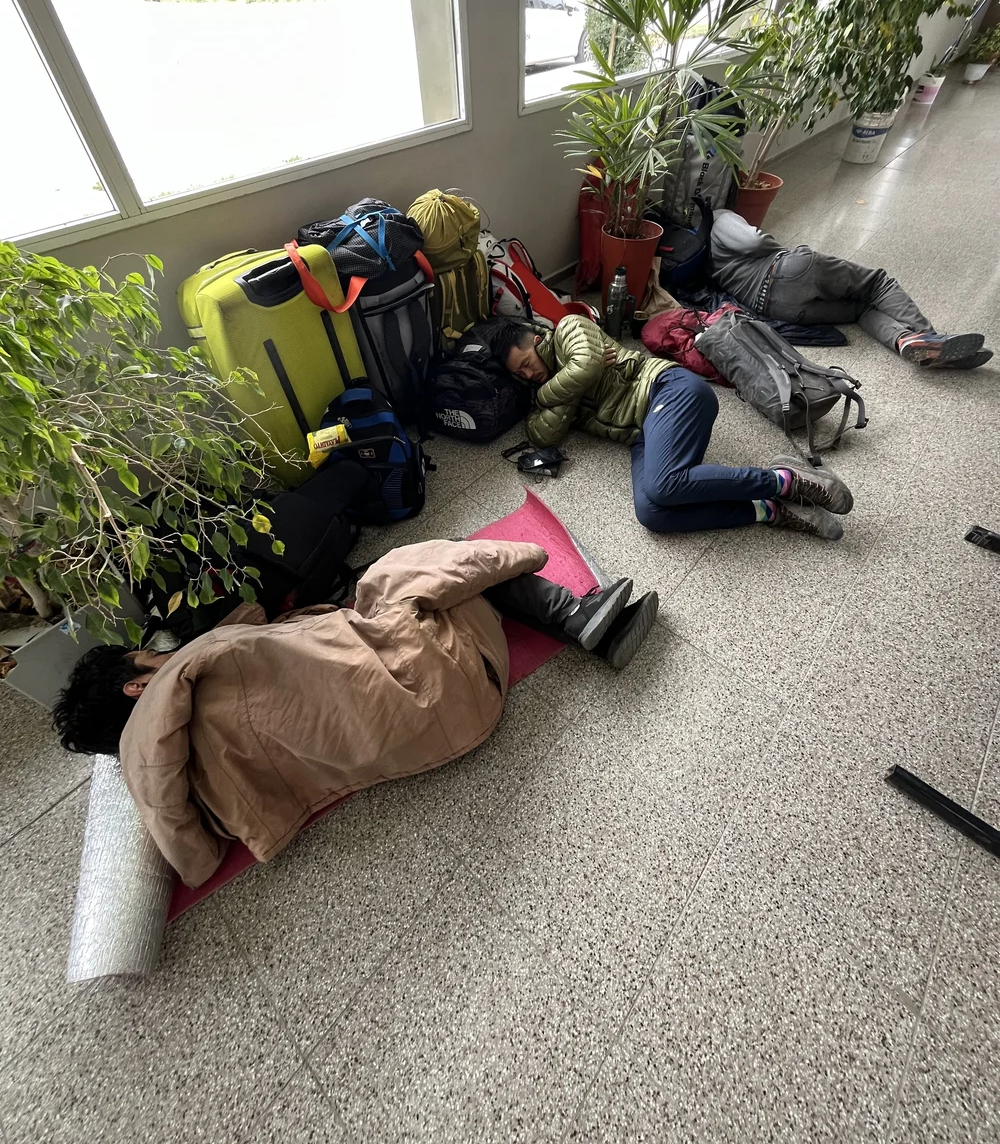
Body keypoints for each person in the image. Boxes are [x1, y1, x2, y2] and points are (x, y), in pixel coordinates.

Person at [52, 538, 657, 887]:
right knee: (398, 573)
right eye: (148, 656)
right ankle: (575, 615)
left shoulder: (160, 777)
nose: (163, 656)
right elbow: (263, 631)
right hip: (449, 678)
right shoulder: (193, 668)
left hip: (428, 737)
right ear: (136, 688)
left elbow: (196, 861)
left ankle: (587, 625)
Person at [493, 315, 855, 540]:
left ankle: (786, 480)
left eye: (527, 362)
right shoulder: (552, 388)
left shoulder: (570, 328)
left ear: (538, 341)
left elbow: (586, 366)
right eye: (520, 374)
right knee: (653, 513)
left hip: (668, 389)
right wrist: (566, 388)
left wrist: (560, 386)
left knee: (665, 484)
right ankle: (771, 509)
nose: (528, 374)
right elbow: (544, 434)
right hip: (641, 433)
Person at [710, 209, 993, 369]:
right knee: (878, 283)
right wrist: (783, 251)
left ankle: (905, 340)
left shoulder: (699, 265)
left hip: (777, 309)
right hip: (784, 270)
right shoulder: (719, 217)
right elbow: (754, 243)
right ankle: (930, 338)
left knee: (860, 310)